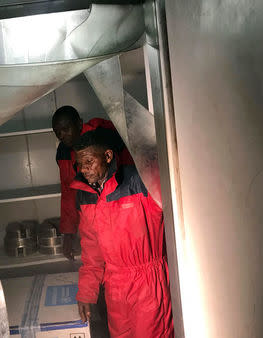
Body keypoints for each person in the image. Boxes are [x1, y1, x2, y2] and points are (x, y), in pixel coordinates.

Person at [71, 128, 174, 337]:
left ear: (107, 156)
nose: (84, 169)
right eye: (80, 164)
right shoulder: (86, 196)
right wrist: (86, 292)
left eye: (89, 161)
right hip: (115, 287)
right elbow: (92, 252)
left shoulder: (139, 182)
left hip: (148, 284)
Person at [52, 106, 133, 259]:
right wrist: (68, 233)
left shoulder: (103, 138)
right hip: (93, 216)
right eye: (57, 132)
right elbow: (69, 192)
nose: (62, 135)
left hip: (122, 210)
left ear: (80, 123)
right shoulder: (64, 152)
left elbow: (127, 180)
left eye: (66, 129)